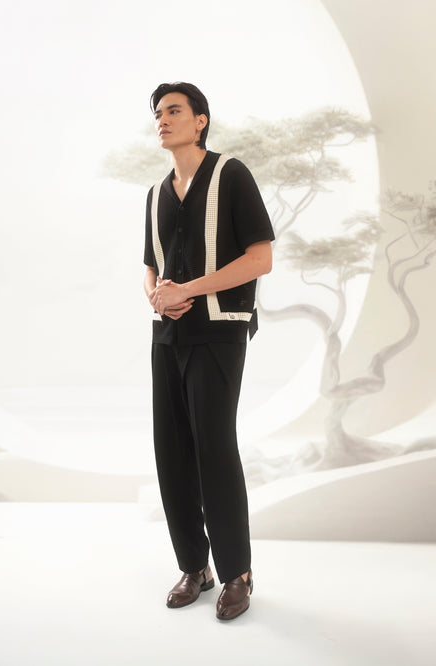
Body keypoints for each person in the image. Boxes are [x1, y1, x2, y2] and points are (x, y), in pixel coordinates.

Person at [143, 82, 274, 621]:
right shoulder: (156, 193)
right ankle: (195, 568)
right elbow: (149, 265)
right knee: (171, 452)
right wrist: (156, 295)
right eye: (158, 113)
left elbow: (260, 258)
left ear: (200, 120)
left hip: (219, 331)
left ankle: (237, 572)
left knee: (214, 449)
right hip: (168, 335)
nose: (163, 119)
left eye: (174, 110)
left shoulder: (231, 174)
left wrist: (188, 290)